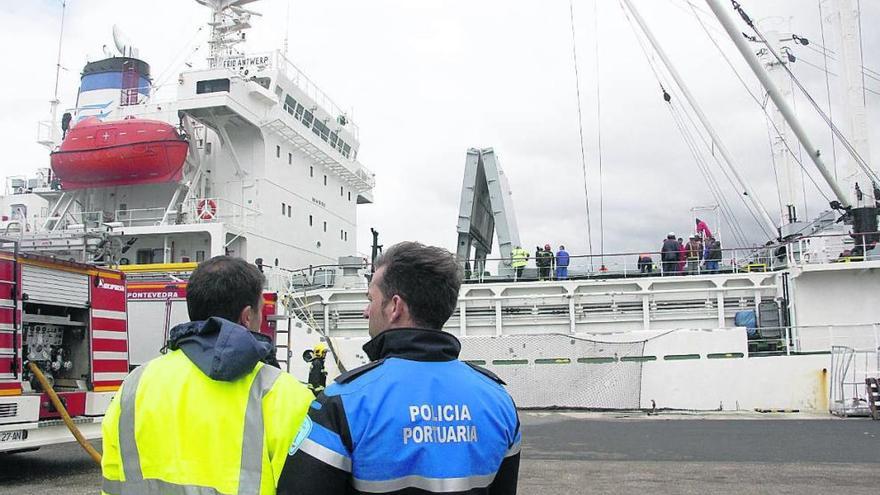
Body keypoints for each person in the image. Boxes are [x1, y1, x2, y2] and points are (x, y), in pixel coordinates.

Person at [278, 242, 521, 494]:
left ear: (395, 307)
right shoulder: (499, 400)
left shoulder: (344, 402)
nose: (365, 312)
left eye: (371, 299)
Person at [101, 256, 314, 495]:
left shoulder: (133, 386)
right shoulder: (283, 394)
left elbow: (112, 480)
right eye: (261, 309)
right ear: (247, 316)